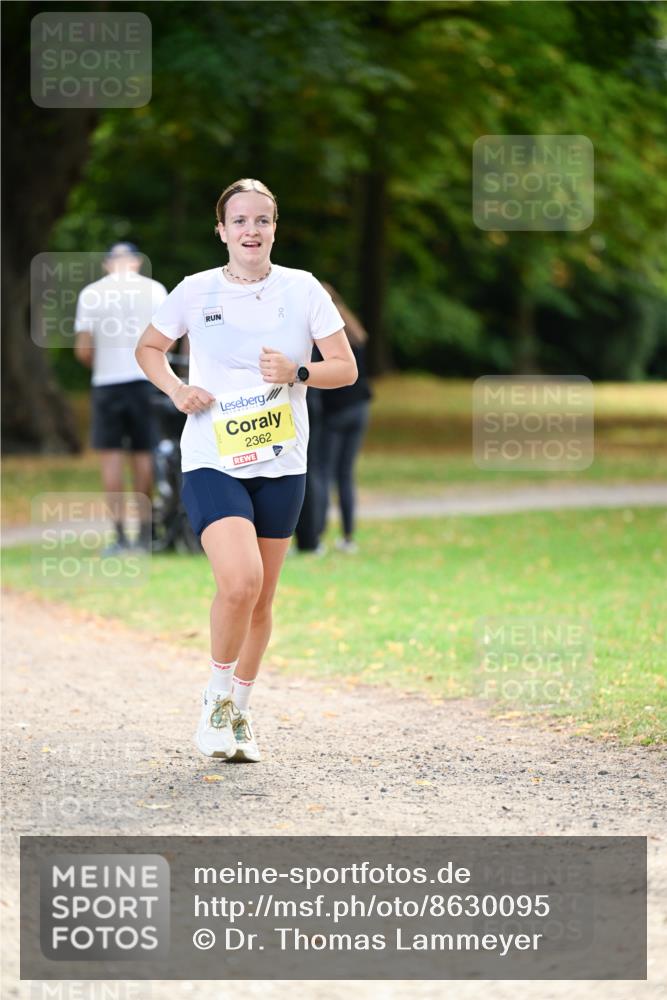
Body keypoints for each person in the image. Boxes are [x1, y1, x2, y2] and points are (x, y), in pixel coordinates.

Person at [135, 178, 357, 762]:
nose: (251, 230)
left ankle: (239, 713)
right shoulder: (195, 290)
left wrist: (298, 372)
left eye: (262, 220)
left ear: (275, 228)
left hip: (283, 462)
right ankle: (214, 700)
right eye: (239, 220)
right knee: (239, 582)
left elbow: (345, 367)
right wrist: (177, 389)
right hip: (213, 456)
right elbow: (149, 348)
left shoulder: (303, 288)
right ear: (222, 230)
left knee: (261, 601)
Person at [75, 242, 168, 555]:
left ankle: (118, 536)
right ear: (137, 262)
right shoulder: (155, 290)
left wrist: (102, 363)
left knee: (111, 459)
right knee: (144, 455)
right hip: (145, 381)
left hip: (107, 384)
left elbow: (83, 349)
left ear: (107, 264)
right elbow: (169, 339)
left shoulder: (91, 293)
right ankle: (144, 534)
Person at [316, 284, 373, 554]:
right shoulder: (353, 328)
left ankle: (317, 535)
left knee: (324, 474)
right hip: (360, 408)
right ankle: (348, 536)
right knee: (346, 475)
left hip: (336, 412)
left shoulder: (325, 331)